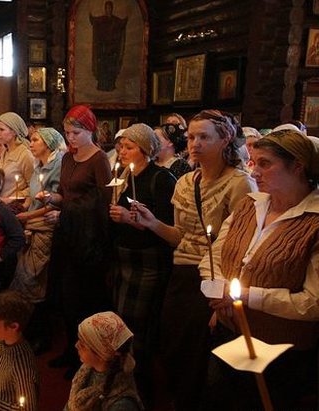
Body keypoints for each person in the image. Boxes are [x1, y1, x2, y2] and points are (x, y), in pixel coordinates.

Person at [133, 110, 256, 410]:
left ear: (225, 139)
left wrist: (224, 297)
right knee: (172, 346)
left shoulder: (239, 184)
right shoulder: (186, 182)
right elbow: (180, 237)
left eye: (204, 137)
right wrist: (151, 223)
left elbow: (242, 246)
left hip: (213, 279)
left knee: (199, 355)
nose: (195, 143)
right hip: (182, 274)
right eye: (191, 137)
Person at [200, 129, 319, 410]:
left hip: (280, 351)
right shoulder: (250, 205)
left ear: (297, 166)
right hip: (229, 332)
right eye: (253, 163)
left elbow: (313, 303)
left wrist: (245, 296)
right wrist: (218, 291)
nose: (254, 173)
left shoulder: (314, 222)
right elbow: (213, 256)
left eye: (265, 164)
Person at [107, 123, 176, 406]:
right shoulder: (123, 176)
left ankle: (140, 389)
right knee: (121, 322)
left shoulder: (161, 178)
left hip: (147, 262)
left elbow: (165, 224)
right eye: (121, 146)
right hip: (123, 258)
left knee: (138, 328)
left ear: (146, 150)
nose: (122, 152)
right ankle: (123, 382)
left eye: (130, 147)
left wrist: (130, 219)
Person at [44, 105, 112, 379]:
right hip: (66, 233)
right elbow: (65, 193)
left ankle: (87, 356)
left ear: (90, 131)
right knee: (64, 295)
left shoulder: (99, 159)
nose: (70, 137)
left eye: (76, 132)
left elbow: (101, 202)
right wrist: (52, 200)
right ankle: (72, 349)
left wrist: (65, 211)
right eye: (67, 132)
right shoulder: (68, 159)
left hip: (87, 239)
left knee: (82, 298)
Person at [11, 127, 65, 354]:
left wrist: (26, 216)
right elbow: (34, 198)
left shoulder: (57, 166)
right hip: (31, 225)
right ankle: (30, 330)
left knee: (35, 279)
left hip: (44, 227)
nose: (30, 143)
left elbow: (53, 203)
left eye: (35, 140)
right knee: (25, 280)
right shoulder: (38, 165)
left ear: (49, 144)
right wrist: (20, 205)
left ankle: (42, 335)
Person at [64, 312, 142, 411]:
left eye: (83, 345)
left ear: (102, 354)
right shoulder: (87, 369)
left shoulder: (121, 405)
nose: (76, 345)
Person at [0, 112, 35, 205]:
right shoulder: (6, 151)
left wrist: (12, 198)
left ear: (13, 132)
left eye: (1, 130)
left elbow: (34, 186)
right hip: (1, 204)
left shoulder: (25, 154)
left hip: (15, 206)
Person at [89, 1, 128, 91]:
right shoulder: (101, 20)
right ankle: (102, 86)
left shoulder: (115, 20)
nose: (108, 10)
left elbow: (122, 23)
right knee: (102, 68)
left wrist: (126, 18)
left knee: (111, 69)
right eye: (107, 8)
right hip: (103, 49)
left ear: (112, 9)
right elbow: (94, 21)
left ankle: (110, 86)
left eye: (110, 8)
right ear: (105, 9)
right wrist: (90, 14)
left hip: (112, 50)